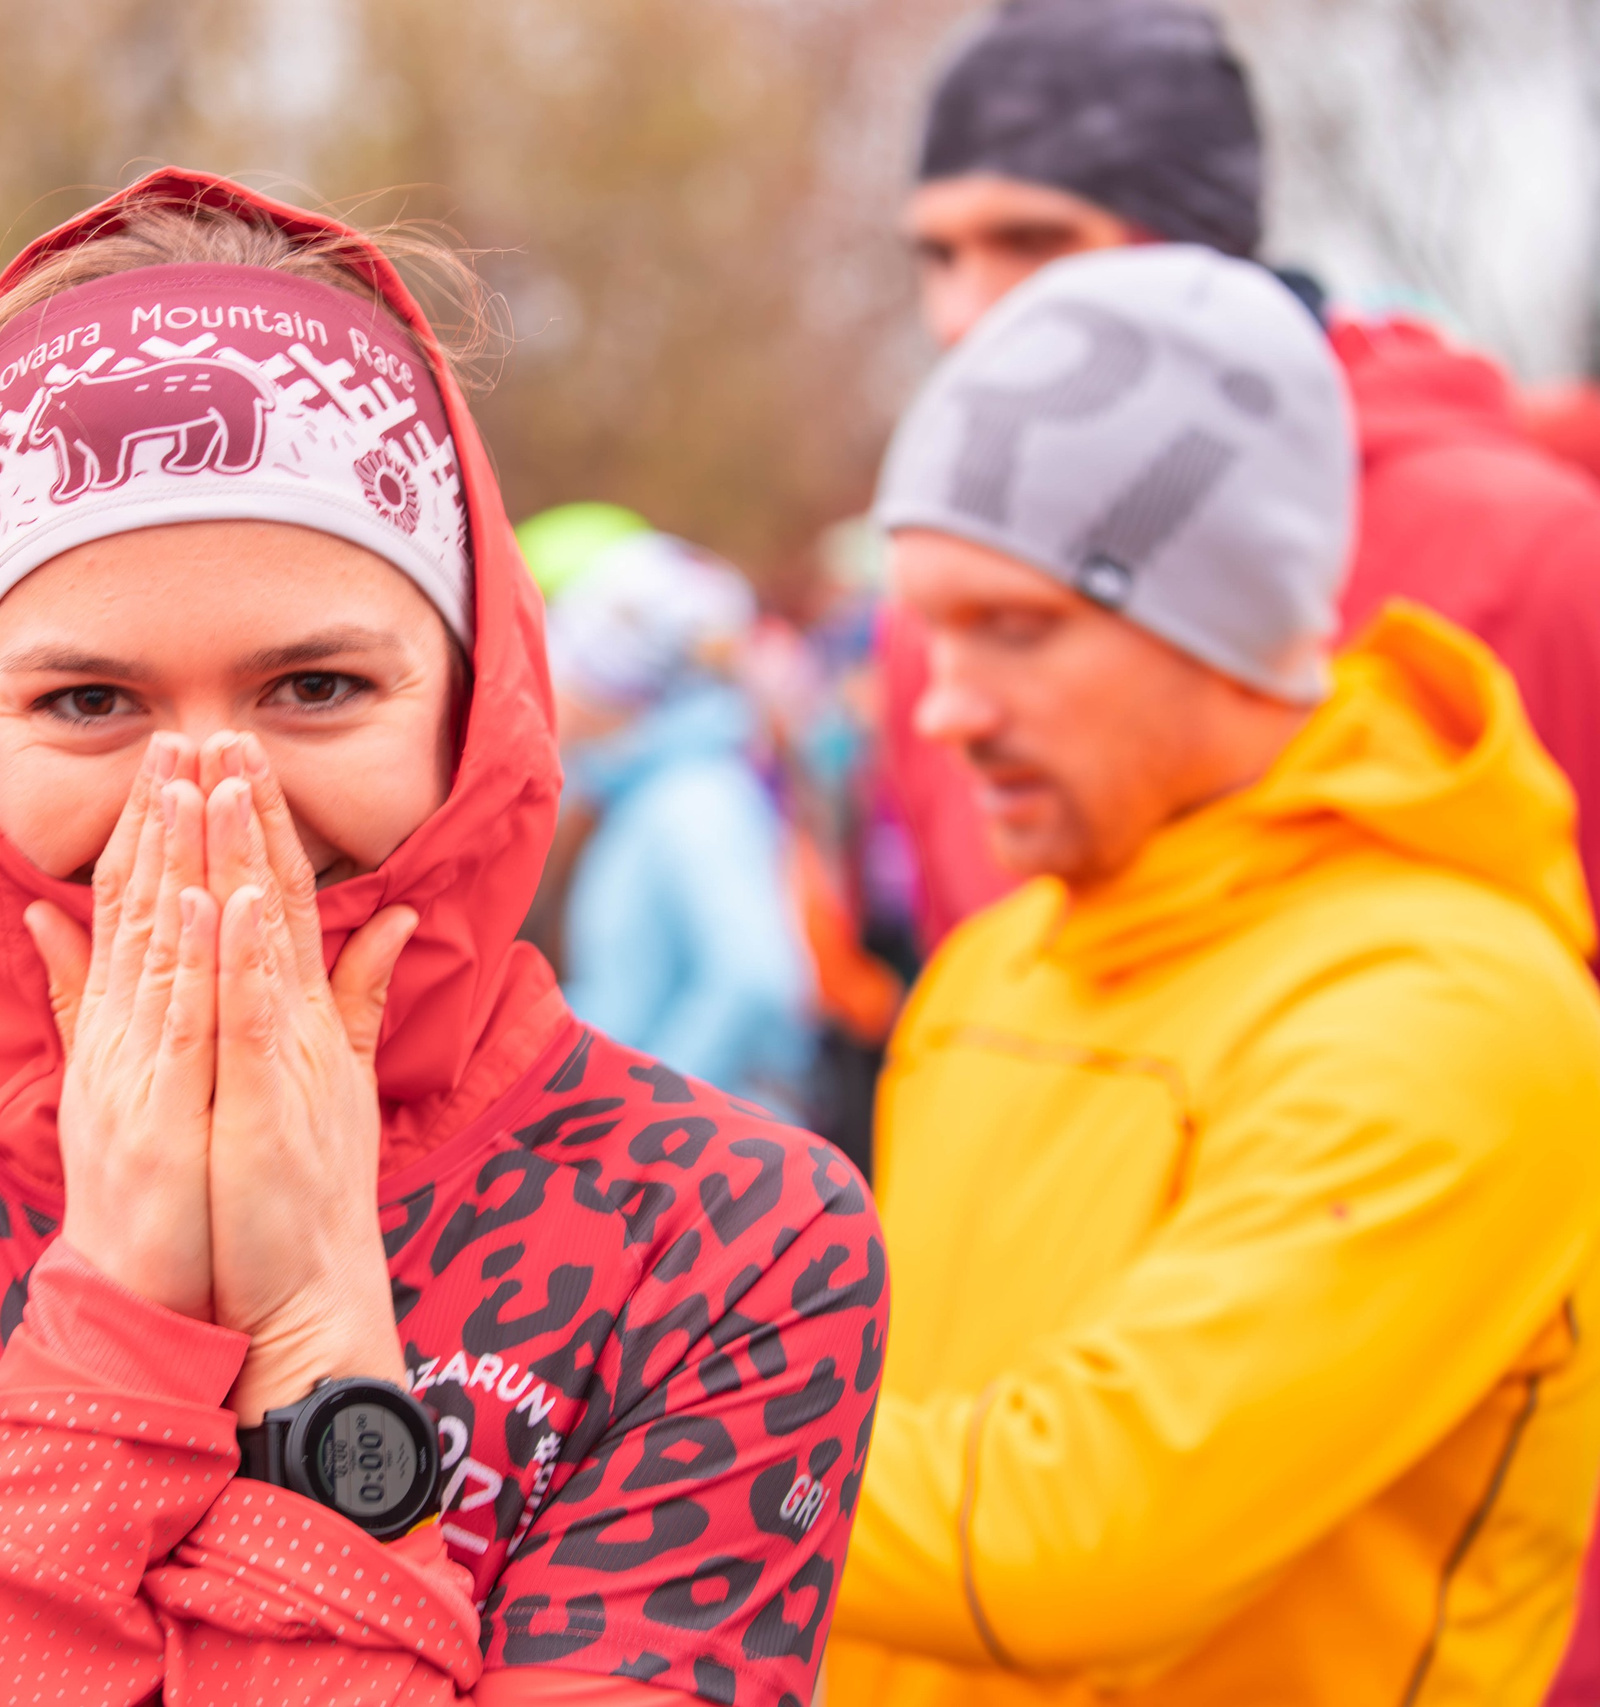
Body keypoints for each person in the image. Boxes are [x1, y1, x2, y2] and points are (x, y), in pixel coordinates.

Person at [0, 170, 888, 1706]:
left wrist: (320, 1354)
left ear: (468, 701)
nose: (211, 799)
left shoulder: (718, 1240)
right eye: (90, 702)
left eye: (316, 687)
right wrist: (113, 1321)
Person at [828, 245, 1600, 1701]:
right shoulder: (998, 960)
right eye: (935, 621)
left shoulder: (1452, 1012)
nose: (944, 705)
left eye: (1021, 626)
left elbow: (1073, 1536)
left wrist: (630, 1420)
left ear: (1229, 627)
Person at [883, 0, 1600, 962]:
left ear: (1202, 252)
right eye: (937, 255)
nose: (963, 317)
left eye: (1033, 241)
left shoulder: (1532, 552)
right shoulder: (935, 614)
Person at [540, 525, 816, 1114]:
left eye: (561, 668)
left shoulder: (692, 801)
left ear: (619, 687)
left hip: (698, 1177)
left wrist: (638, 1116)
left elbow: (758, 980)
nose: (549, 689)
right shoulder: (642, 790)